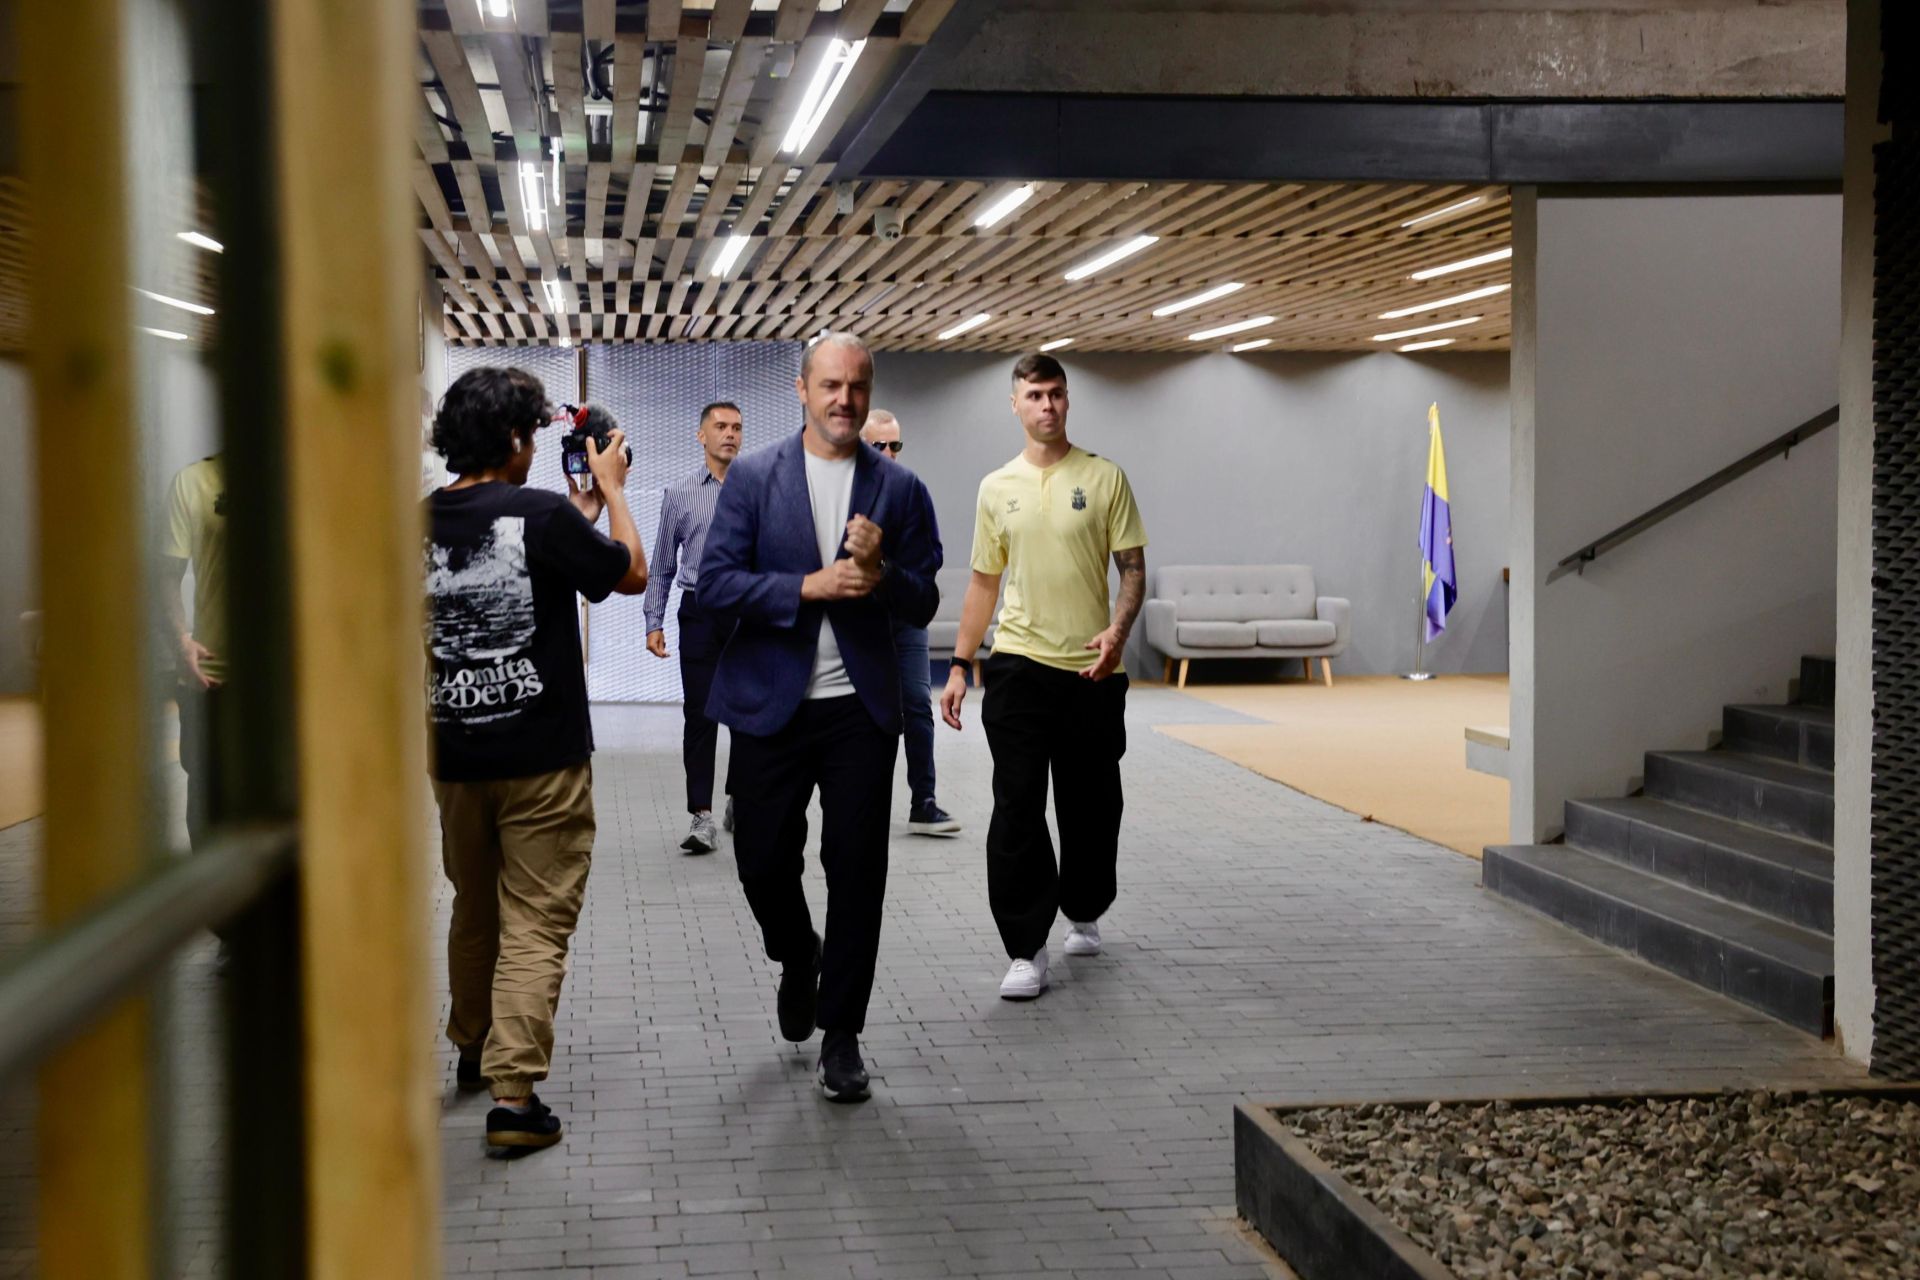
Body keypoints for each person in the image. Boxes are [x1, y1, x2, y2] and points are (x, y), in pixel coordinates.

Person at [698, 332, 941, 1102]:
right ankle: (798, 952)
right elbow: (716, 585)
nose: (845, 399)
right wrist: (807, 587)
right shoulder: (754, 478)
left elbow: (926, 596)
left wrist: (880, 573)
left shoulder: (899, 490)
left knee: (858, 871)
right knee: (763, 861)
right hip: (771, 705)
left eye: (857, 387)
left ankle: (843, 1035)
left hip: (860, 712)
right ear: (801, 390)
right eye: (831, 385)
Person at [424, 367, 648, 1151]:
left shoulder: (417, 520)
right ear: (517, 439)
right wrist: (614, 491)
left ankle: (472, 1047)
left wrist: (577, 514)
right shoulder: (542, 513)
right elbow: (630, 573)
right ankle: (514, 1099)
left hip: (453, 753)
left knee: (474, 905)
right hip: (542, 758)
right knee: (536, 919)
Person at [938, 352, 1147, 1002]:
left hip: (1090, 670)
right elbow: (982, 581)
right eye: (1035, 395)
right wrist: (959, 662)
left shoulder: (1105, 477)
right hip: (1019, 666)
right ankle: (1026, 947)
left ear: (1067, 400)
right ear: (1016, 404)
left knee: (1091, 805)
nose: (1048, 406)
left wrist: (1117, 634)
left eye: (1056, 394)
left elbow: (1133, 569)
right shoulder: (996, 487)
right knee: (1017, 806)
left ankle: (1083, 906)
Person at [645, 401, 744, 854]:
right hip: (700, 611)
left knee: (750, 714)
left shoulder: (756, 488)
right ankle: (701, 816)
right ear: (701, 436)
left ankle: (738, 800)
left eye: (736, 427)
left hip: (748, 613)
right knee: (701, 716)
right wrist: (654, 621)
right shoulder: (681, 493)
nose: (730, 434)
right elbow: (663, 565)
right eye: (720, 427)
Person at [859, 409, 960, 837]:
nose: (888, 452)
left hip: (904, 616)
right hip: (860, 621)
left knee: (917, 704)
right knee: (859, 714)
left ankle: (925, 802)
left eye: (894, 445)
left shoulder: (911, 490)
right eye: (878, 445)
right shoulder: (847, 492)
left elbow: (931, 555)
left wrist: (894, 567)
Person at [161, 454, 227, 855]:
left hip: (290, 681)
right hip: (211, 675)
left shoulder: (305, 474)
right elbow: (166, 576)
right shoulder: (192, 480)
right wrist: (181, 640)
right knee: (207, 804)